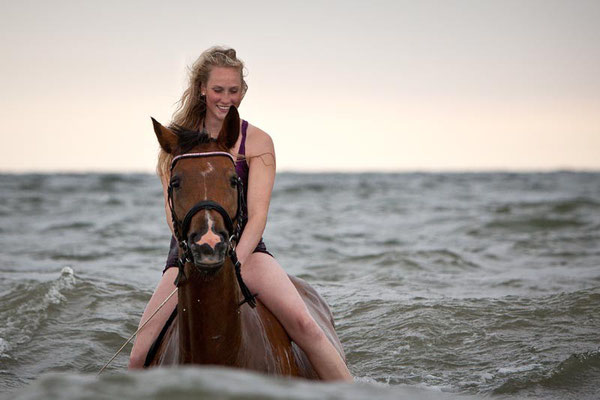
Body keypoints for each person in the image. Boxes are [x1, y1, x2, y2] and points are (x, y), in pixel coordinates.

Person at [128, 46, 352, 381]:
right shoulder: (177, 141)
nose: (226, 99)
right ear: (201, 89)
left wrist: (235, 260)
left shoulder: (258, 142)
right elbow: (171, 212)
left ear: (243, 91)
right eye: (218, 90)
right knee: (137, 356)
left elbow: (258, 215)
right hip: (189, 256)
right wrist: (193, 256)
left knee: (307, 327)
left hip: (246, 251)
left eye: (234, 91)